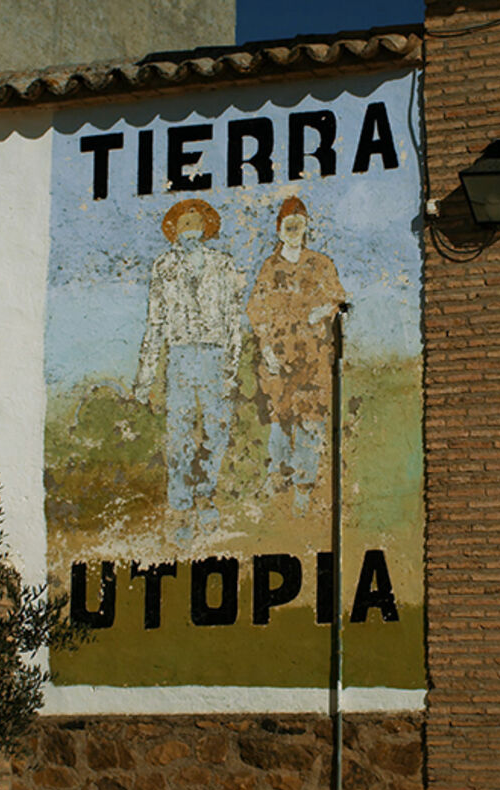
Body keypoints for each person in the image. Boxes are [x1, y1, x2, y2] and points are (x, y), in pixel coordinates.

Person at [134, 199, 244, 540]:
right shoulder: (164, 266)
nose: (190, 230)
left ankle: (205, 493)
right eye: (184, 224)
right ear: (174, 230)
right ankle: (180, 505)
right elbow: (155, 321)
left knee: (216, 429)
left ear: (206, 226)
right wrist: (145, 378)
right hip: (180, 355)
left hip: (214, 355)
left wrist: (231, 368)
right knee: (179, 432)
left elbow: (233, 319)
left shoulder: (223, 265)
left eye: (196, 223)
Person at [246, 196, 346, 515]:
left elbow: (338, 300)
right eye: (288, 226)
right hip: (277, 356)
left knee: (310, 420)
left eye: (298, 226)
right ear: (279, 230)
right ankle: (277, 477)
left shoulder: (320, 264)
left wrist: (322, 312)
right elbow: (256, 310)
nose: (293, 232)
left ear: (305, 229)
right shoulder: (270, 267)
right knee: (280, 420)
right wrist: (265, 348)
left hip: (312, 357)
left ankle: (303, 487)